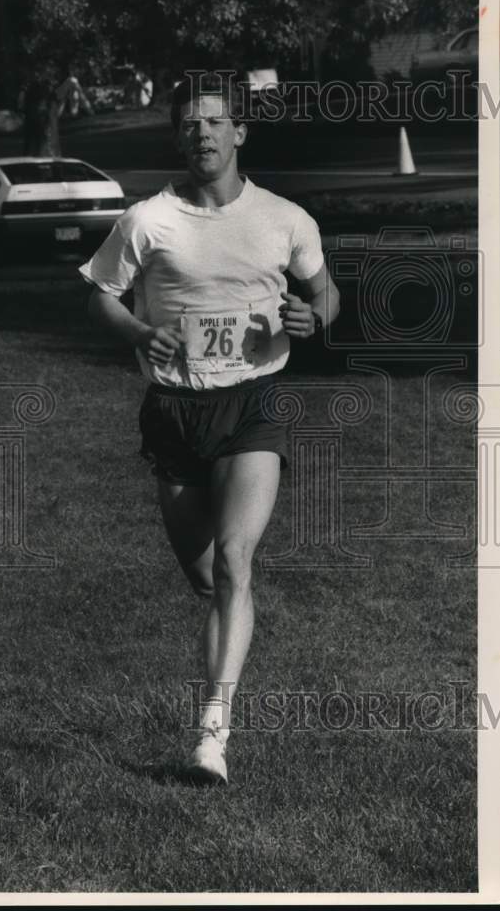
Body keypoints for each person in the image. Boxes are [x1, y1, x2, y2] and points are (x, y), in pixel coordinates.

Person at [78, 71, 340, 785]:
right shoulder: (147, 221)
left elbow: (324, 295)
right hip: (172, 412)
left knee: (233, 562)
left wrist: (310, 319)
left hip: (253, 401)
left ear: (240, 131)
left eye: (215, 121)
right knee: (208, 582)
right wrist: (137, 330)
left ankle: (211, 734)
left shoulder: (284, 219)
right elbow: (100, 293)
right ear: (178, 136)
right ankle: (233, 626)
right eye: (190, 123)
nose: (202, 133)